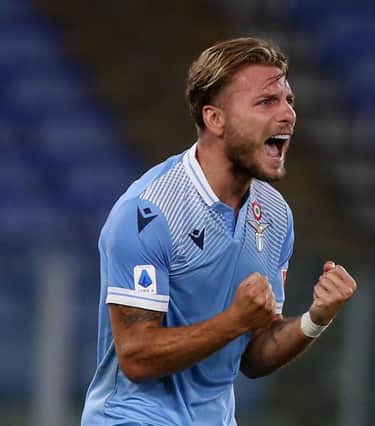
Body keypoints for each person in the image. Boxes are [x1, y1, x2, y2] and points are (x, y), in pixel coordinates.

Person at [81, 37, 357, 425]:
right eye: (266, 102)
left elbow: (254, 356)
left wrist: (316, 318)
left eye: (289, 101)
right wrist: (235, 320)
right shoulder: (148, 211)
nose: (288, 115)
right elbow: (136, 357)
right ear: (215, 119)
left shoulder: (275, 215)